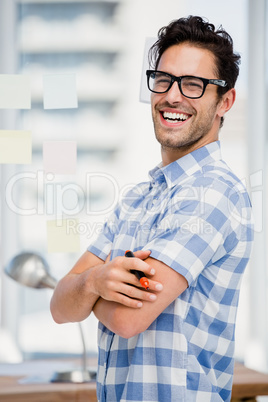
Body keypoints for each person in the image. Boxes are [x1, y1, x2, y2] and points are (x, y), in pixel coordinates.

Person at [50, 15, 254, 402]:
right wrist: (96, 283)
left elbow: (129, 319)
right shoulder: (138, 198)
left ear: (224, 101)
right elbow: (60, 306)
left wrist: (90, 286)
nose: (172, 96)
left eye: (194, 85)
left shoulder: (214, 192)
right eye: (164, 80)